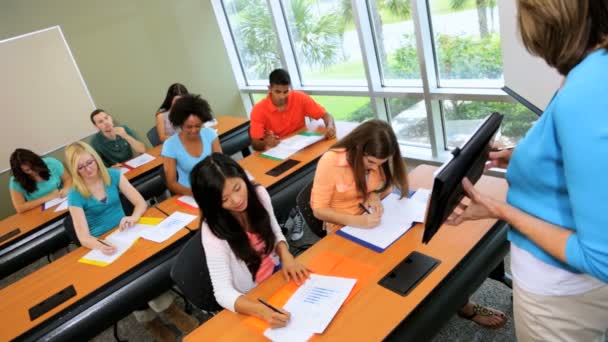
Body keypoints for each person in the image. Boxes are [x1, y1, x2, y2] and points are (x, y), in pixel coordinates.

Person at [447, 1, 608, 340]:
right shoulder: (590, 72)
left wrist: (501, 210)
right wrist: (521, 157)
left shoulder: (586, 91)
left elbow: (601, 259)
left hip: (560, 295)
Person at [311, 120, 506, 329]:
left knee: (430, 255)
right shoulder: (331, 161)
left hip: (379, 221)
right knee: (384, 278)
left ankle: (459, 302)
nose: (376, 167)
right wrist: (358, 221)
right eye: (371, 163)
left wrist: (374, 196)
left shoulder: (378, 159)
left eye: (380, 163)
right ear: (358, 148)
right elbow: (319, 209)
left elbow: (382, 188)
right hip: (344, 230)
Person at [65, 141, 197, 341]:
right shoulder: (75, 193)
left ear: (96, 158)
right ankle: (151, 322)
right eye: (80, 168)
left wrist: (133, 217)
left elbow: (140, 203)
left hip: (127, 234)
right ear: (74, 171)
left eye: (89, 163)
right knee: (130, 284)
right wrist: (101, 245)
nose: (88, 169)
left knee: (145, 273)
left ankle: (169, 311)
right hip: (103, 245)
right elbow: (83, 236)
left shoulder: (113, 175)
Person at [190, 153, 309, 328]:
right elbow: (222, 292)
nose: (237, 200)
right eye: (224, 199)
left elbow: (275, 231)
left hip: (277, 274)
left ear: (243, 177)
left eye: (238, 188)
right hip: (252, 295)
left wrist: (285, 255)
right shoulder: (213, 232)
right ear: (212, 204)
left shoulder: (259, 194)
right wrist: (261, 310)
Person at [249, 68, 336, 151]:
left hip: (302, 146)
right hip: (278, 150)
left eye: (286, 91)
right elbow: (255, 144)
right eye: (277, 92)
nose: (282, 96)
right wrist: (265, 143)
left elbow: (326, 115)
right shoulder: (258, 109)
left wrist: (330, 126)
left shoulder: (299, 98)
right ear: (270, 89)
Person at [161, 94, 222, 196]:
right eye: (189, 127)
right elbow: (171, 183)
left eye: (198, 126)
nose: (194, 130)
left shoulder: (210, 134)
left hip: (214, 186)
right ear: (180, 124)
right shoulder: (170, 145)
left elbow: (221, 164)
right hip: (189, 192)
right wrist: (195, 193)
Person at [9, 148, 72, 213]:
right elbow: (20, 208)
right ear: (21, 172)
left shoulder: (51, 163)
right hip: (39, 212)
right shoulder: (16, 181)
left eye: (34, 166)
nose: (33, 171)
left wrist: (66, 188)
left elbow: (68, 179)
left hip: (64, 203)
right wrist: (48, 197)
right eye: (27, 170)